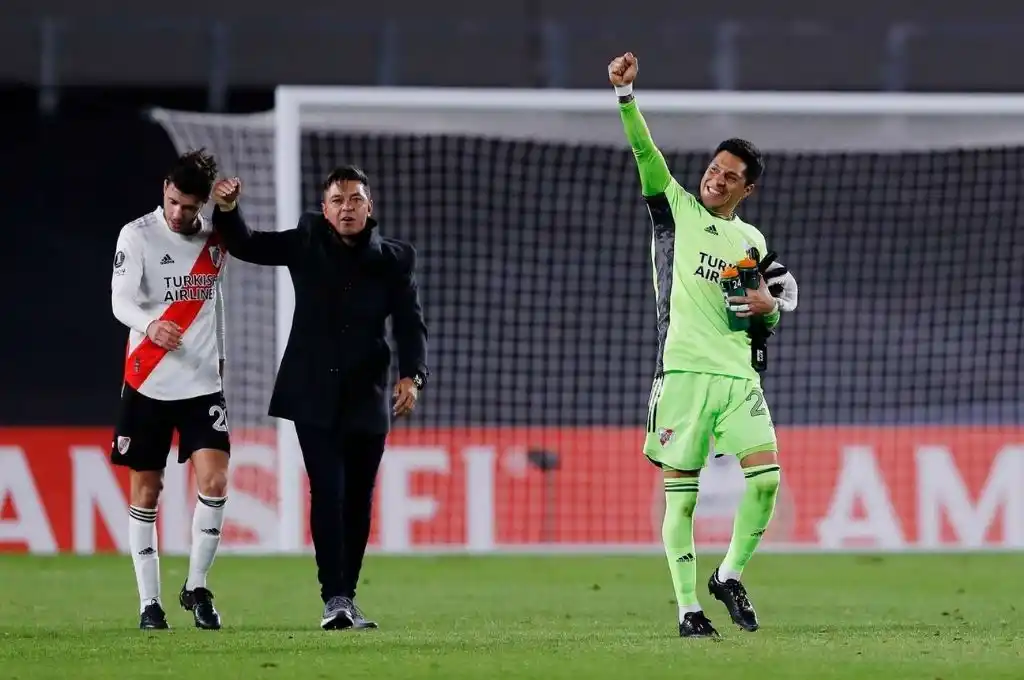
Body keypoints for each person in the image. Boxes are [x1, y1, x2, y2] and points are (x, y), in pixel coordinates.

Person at [608, 52, 798, 638]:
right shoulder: (673, 210)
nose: (715, 177)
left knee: (766, 480)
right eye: (714, 168)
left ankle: (729, 575)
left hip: (739, 377)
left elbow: (762, 315)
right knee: (682, 500)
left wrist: (772, 310)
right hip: (684, 373)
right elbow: (646, 153)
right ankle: (689, 609)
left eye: (730, 175)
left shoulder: (751, 239)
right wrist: (626, 96)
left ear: (748, 188)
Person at [209, 165, 428, 631]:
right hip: (313, 392)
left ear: (370, 207)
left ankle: (347, 594)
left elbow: (410, 324)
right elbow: (247, 243)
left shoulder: (394, 259)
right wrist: (227, 209)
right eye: (337, 200)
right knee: (328, 491)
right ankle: (335, 597)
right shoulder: (306, 239)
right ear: (324, 209)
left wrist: (412, 376)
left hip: (368, 394)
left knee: (359, 500)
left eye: (354, 199)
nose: (346, 208)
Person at [110, 149, 231, 631]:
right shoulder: (136, 235)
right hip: (148, 380)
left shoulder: (214, 239)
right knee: (147, 488)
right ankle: (149, 604)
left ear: (203, 204)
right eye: (175, 202)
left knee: (216, 481)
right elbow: (119, 301)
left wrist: (221, 358)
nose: (180, 214)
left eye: (191, 207)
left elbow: (215, 302)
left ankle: (197, 587)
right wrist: (151, 324)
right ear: (165, 188)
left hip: (202, 383)